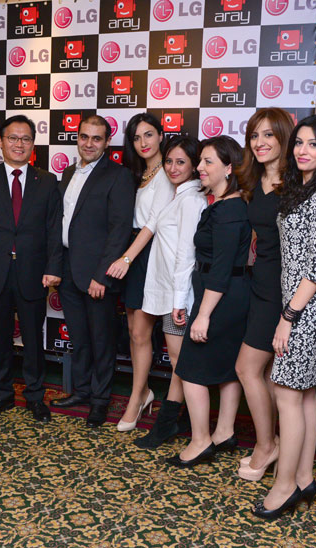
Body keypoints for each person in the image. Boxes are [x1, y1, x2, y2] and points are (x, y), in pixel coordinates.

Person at [252, 113, 316, 520]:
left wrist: (288, 316)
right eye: (299, 142)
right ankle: (305, 476)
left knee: (286, 394)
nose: (303, 150)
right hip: (301, 306)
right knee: (305, 392)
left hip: (305, 308)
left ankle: (285, 484)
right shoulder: (303, 188)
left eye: (313, 144)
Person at [0, 115, 62, 423]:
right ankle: (2, 395)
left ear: (33, 144)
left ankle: (35, 397)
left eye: (25, 139)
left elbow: (53, 228)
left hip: (34, 273)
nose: (19, 144)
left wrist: (53, 267)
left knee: (33, 340)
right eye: (13, 138)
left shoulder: (47, 181)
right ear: (0, 141)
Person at [165, 135, 251, 468]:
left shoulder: (229, 210)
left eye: (207, 162)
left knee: (190, 370)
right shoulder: (228, 204)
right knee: (228, 369)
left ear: (229, 168)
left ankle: (201, 441)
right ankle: (224, 432)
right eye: (200, 160)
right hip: (228, 295)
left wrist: (202, 315)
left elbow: (221, 270)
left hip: (221, 298)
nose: (199, 167)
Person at [50, 116, 135, 428]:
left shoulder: (119, 175)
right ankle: (82, 391)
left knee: (101, 340)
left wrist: (102, 276)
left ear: (107, 142)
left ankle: (100, 400)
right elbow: (61, 222)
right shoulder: (68, 172)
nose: (89, 143)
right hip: (68, 269)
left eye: (96, 138)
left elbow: (119, 230)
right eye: (84, 136)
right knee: (80, 337)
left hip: (97, 274)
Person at [134, 135, 207, 448]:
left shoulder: (191, 200)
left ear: (194, 165)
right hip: (169, 293)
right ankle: (179, 421)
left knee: (180, 363)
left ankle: (168, 424)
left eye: (181, 162)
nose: (173, 168)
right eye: (169, 161)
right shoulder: (178, 196)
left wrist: (178, 301)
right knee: (180, 362)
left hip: (179, 297)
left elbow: (186, 256)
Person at [234, 108, 294, 481]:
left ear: (284, 138)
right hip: (260, 282)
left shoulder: (297, 183)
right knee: (269, 373)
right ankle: (275, 442)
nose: (260, 142)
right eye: (255, 135)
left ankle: (266, 445)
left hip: (281, 289)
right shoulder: (255, 181)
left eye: (269, 135)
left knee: (247, 367)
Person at [105, 113, 172, 432]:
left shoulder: (167, 174)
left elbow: (153, 223)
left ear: (161, 135)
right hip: (133, 250)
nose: (143, 142)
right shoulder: (140, 174)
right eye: (136, 137)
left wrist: (127, 259)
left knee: (142, 332)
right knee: (134, 331)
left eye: (148, 134)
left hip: (148, 254)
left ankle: (136, 398)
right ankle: (142, 391)